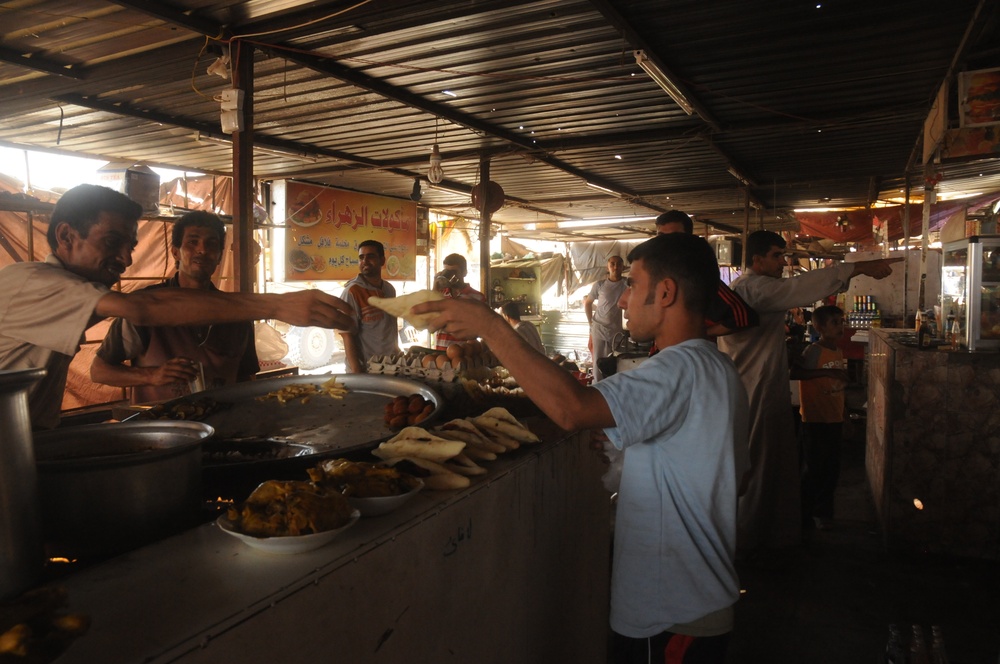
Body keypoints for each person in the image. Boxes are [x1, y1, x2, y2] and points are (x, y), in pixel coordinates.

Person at [413, 233, 749, 664]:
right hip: (693, 600)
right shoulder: (716, 367)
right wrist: (629, 458)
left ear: (665, 293)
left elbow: (571, 410)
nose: (623, 299)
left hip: (670, 611)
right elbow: (721, 475)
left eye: (632, 284)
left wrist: (490, 326)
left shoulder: (678, 368)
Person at [0, 183, 354, 429]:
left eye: (130, 246)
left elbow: (245, 377)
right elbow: (143, 309)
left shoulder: (233, 312)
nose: (125, 259)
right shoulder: (34, 283)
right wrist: (276, 305)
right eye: (112, 242)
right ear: (65, 236)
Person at [717, 230, 901, 557]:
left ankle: (765, 534)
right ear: (756, 260)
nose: (783, 262)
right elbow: (798, 289)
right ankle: (751, 540)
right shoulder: (753, 288)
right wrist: (855, 267)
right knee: (759, 463)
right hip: (753, 386)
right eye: (777, 256)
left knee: (768, 462)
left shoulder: (753, 289)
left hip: (759, 384)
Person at [90, 211, 259, 403]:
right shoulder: (145, 307)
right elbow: (99, 371)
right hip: (160, 429)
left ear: (220, 256)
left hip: (220, 427)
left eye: (212, 244)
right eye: (192, 242)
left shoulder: (236, 314)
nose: (202, 250)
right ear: (175, 252)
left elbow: (246, 378)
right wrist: (151, 376)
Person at [655, 210, 758, 337]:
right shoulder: (657, 272)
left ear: (688, 239)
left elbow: (743, 318)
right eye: (661, 236)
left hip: (690, 354)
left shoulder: (697, 275)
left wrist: (698, 335)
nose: (666, 243)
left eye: (675, 236)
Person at [791, 305, 849, 531]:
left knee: (831, 469)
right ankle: (804, 515)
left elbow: (839, 388)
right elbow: (795, 373)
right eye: (834, 322)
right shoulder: (814, 351)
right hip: (815, 421)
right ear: (819, 327)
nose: (840, 326)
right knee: (814, 469)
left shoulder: (837, 350)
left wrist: (846, 415)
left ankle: (824, 513)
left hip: (834, 419)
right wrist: (827, 372)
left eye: (841, 321)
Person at [339, 240, 401, 373]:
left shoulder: (390, 290)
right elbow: (346, 335)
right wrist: (357, 372)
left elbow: (390, 328)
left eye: (370, 256)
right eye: (361, 257)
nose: (365, 261)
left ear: (382, 260)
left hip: (391, 366)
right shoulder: (352, 292)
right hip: (366, 370)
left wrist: (397, 354)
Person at [584, 255, 627, 381]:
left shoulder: (627, 284)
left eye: (619, 264)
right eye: (612, 264)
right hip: (599, 329)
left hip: (617, 331)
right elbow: (588, 303)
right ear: (607, 267)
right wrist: (590, 322)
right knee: (598, 360)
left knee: (617, 362)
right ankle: (598, 388)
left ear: (623, 267)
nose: (615, 267)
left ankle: (613, 390)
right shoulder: (600, 285)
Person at [432, 253, 486, 351]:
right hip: (440, 353)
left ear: (464, 272)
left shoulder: (477, 297)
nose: (450, 275)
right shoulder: (439, 294)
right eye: (447, 271)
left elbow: (480, 328)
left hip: (464, 354)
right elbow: (429, 321)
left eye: (454, 272)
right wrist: (435, 287)